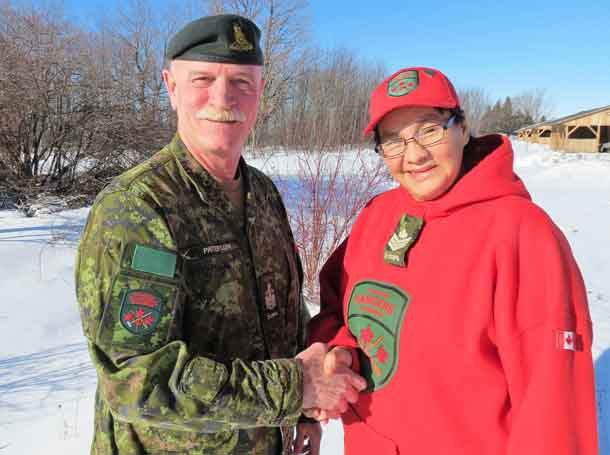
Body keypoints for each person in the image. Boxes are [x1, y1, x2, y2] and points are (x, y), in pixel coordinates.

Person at [75, 14, 365, 455]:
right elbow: (138, 381)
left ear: (260, 93)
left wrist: (304, 409)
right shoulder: (139, 207)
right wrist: (294, 388)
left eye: (241, 82)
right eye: (203, 79)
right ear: (171, 87)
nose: (223, 98)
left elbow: (282, 319)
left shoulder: (264, 195)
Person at [307, 67, 599, 454]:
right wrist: (341, 351)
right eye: (393, 140)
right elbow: (335, 310)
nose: (414, 155)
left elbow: (553, 408)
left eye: (429, 129)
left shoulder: (522, 235)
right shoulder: (376, 217)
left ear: (462, 128)